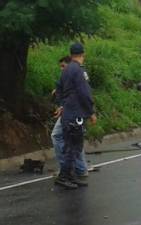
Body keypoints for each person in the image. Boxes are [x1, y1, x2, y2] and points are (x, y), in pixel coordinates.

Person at [55, 43, 97, 189]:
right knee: (74, 147)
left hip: (68, 113)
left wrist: (62, 104)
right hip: (75, 115)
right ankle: (64, 177)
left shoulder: (66, 70)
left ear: (71, 54)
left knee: (70, 146)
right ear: (83, 54)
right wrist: (91, 112)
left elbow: (58, 88)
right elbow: (84, 93)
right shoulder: (78, 71)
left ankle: (71, 176)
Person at [51, 56, 88, 178]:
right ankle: (78, 168)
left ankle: (69, 168)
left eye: (63, 66)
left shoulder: (75, 75)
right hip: (72, 111)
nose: (61, 69)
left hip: (73, 113)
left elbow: (78, 94)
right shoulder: (74, 75)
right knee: (75, 138)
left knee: (62, 136)